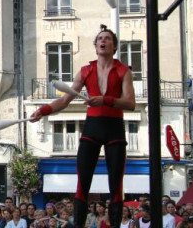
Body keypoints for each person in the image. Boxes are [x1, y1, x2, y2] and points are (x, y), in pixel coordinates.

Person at [31, 25, 135, 228]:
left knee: (116, 183)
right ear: (96, 46)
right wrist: (42, 111)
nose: (103, 41)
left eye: (108, 39)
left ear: (114, 47)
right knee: (82, 182)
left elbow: (130, 103)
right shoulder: (86, 71)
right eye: (100, 39)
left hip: (114, 128)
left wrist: (105, 99)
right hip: (92, 128)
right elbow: (63, 101)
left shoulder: (124, 71)